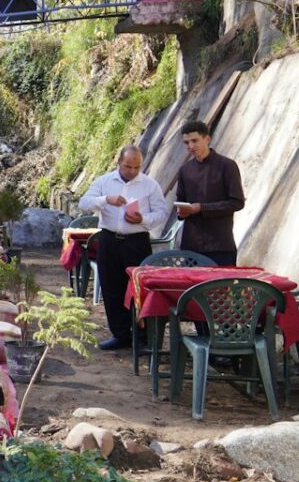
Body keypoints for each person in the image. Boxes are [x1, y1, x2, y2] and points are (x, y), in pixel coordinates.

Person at [78, 145, 169, 351]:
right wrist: (105, 200)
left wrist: (142, 218)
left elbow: (162, 212)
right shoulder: (104, 181)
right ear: (119, 162)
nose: (132, 171)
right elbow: (84, 203)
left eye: (136, 167)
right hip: (109, 240)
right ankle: (120, 334)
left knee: (139, 288)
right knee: (111, 288)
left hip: (137, 241)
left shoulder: (149, 185)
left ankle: (143, 337)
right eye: (128, 166)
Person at [175, 119, 245, 266]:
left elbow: (237, 202)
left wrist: (202, 208)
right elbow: (180, 201)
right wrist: (181, 213)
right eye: (186, 143)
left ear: (207, 139)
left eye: (195, 141)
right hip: (191, 245)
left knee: (222, 288)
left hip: (220, 244)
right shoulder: (184, 170)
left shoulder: (227, 166)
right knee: (191, 288)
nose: (191, 146)